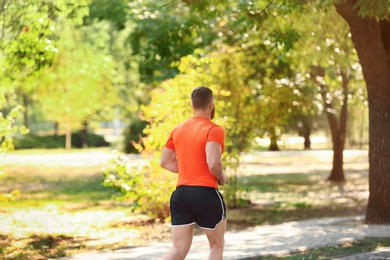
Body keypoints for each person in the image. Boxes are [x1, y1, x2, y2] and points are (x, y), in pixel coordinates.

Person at [160, 86, 228, 260]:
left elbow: (165, 161)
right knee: (216, 246)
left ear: (193, 106)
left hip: (180, 195)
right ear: (211, 105)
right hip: (205, 194)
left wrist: (189, 170)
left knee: (178, 249)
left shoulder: (178, 129)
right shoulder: (214, 130)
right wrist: (222, 177)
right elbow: (213, 162)